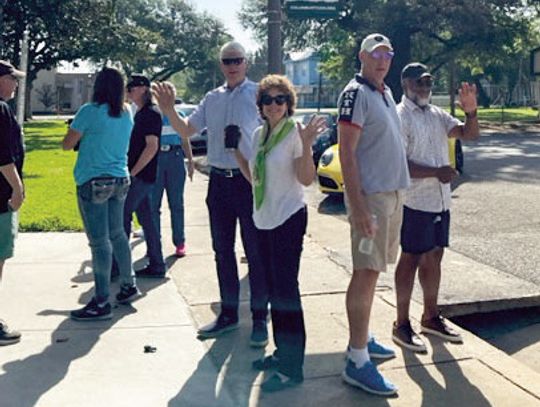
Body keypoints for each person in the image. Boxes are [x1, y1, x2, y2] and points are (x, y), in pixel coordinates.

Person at [153, 41, 269, 347]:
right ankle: (228, 314)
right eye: (227, 60)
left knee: (255, 252)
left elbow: (275, 132)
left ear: (246, 63)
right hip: (218, 182)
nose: (233, 65)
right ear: (221, 64)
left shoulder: (259, 95)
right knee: (222, 250)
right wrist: (168, 110)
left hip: (247, 181)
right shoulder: (212, 98)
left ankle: (260, 318)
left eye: (238, 60)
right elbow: (188, 130)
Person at [233, 75, 326, 392]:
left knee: (286, 292)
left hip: (287, 220)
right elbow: (255, 179)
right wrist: (237, 155)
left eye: (280, 99)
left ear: (289, 103)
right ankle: (281, 352)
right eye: (268, 100)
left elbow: (305, 179)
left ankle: (292, 367)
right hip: (263, 219)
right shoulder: (260, 135)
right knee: (273, 290)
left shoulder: (293, 134)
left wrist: (309, 146)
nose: (274, 105)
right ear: (260, 105)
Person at [337, 33, 410, 396]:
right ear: (362, 56)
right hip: (373, 199)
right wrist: (359, 207)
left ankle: (362, 340)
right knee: (365, 274)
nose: (383, 60)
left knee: (375, 270)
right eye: (376, 54)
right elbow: (346, 153)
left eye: (388, 54)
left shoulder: (384, 91)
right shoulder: (356, 94)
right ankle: (357, 359)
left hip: (392, 195)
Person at [392, 63, 479, 352]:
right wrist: (435, 172)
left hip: (440, 202)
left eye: (428, 82)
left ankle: (430, 316)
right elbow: (398, 165)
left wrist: (471, 111)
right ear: (406, 84)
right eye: (419, 82)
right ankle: (401, 324)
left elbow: (468, 133)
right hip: (414, 202)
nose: (425, 87)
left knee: (435, 257)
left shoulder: (435, 114)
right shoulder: (400, 115)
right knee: (411, 258)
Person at [63, 67, 139, 321]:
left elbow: (67, 144)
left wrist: (78, 132)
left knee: (99, 242)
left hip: (93, 180)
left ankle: (101, 300)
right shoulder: (127, 111)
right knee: (118, 234)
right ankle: (129, 284)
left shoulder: (89, 111)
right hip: (120, 178)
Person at [121, 74, 166, 278]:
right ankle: (157, 264)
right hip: (143, 176)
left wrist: (133, 172)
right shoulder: (140, 113)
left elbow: (151, 147)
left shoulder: (149, 113)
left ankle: (118, 265)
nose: (129, 90)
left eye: (132, 87)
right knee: (148, 221)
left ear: (144, 89)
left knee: (122, 216)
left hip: (141, 176)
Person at [0, 60, 25, 344]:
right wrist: (17, 189)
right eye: (11, 78)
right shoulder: (1, 109)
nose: (16, 84)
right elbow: (3, 156)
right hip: (0, 199)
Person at [151, 110, 194, 259]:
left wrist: (190, 161)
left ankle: (180, 242)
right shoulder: (152, 114)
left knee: (176, 204)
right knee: (153, 205)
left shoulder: (178, 115)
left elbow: (184, 139)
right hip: (156, 159)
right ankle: (154, 245)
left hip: (175, 157)